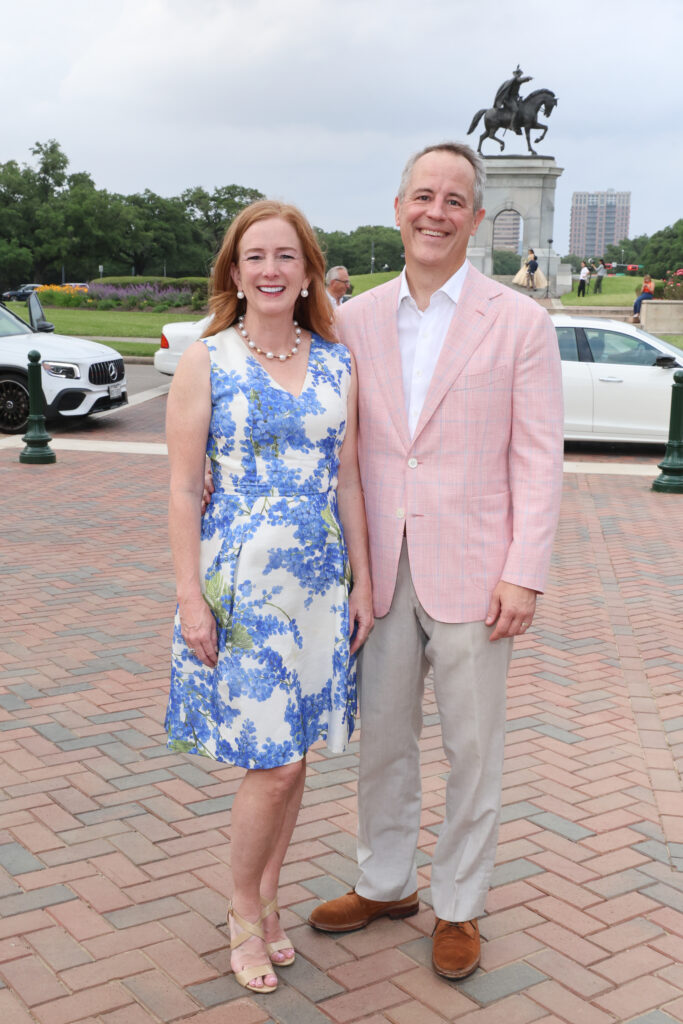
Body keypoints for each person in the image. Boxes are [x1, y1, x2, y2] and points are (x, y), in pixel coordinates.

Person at [307, 142, 564, 980]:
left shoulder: (519, 322)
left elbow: (536, 458)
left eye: (455, 200)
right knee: (382, 739)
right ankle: (384, 882)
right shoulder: (354, 320)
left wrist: (523, 570)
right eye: (423, 195)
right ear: (397, 207)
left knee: (472, 748)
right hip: (378, 571)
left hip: (477, 571)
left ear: (476, 219)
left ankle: (458, 904)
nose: (436, 212)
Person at [164, 199, 373, 994]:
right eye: (256, 257)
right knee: (275, 762)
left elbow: (348, 478)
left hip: (320, 587)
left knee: (297, 754)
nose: (272, 269)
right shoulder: (206, 361)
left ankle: (269, 902)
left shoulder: (335, 362)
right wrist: (190, 597)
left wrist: (364, 581)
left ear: (309, 270)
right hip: (241, 587)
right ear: (234, 271)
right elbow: (185, 489)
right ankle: (242, 912)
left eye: (287, 255)